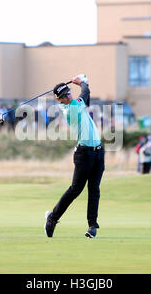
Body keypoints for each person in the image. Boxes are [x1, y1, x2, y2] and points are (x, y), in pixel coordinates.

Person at [44, 74, 104, 239]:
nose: (68, 96)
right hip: (84, 154)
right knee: (75, 189)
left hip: (98, 152)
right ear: (59, 100)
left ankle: (92, 226)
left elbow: (86, 97)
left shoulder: (77, 104)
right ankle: (52, 218)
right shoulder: (70, 108)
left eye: (68, 92)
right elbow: (84, 94)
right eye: (63, 96)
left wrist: (84, 85)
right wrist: (83, 83)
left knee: (94, 190)